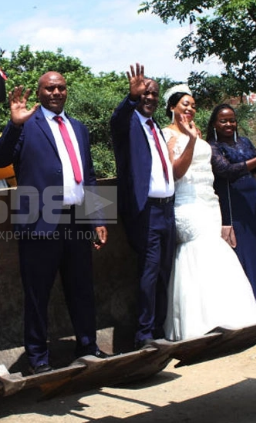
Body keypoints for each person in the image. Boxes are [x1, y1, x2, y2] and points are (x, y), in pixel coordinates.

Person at [0, 71, 109, 374]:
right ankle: (38, 359)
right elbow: (0, 160)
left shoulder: (79, 128)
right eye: (49, 88)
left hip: (76, 221)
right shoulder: (27, 126)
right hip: (39, 222)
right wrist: (14, 125)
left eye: (60, 88)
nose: (56, 92)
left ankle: (88, 346)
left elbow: (91, 176)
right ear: (40, 92)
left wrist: (97, 217)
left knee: (82, 289)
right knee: (37, 294)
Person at [161, 85, 256, 341]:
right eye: (184, 104)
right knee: (199, 251)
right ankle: (199, 321)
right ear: (172, 107)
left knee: (216, 252)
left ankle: (228, 313)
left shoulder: (198, 132)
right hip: (187, 203)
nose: (190, 109)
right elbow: (176, 173)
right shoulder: (167, 135)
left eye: (193, 105)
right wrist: (192, 140)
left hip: (209, 201)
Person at [110, 63, 176, 349]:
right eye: (145, 93)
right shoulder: (129, 124)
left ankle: (160, 327)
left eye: (153, 94)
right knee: (149, 271)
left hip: (167, 210)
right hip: (145, 211)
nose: (149, 98)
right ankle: (144, 334)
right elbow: (117, 119)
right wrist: (131, 98)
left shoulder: (156, 129)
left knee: (164, 270)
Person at [206, 104, 256, 315]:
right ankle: (251, 308)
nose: (229, 124)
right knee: (243, 253)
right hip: (233, 203)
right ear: (214, 124)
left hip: (253, 201)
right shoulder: (213, 147)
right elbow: (227, 171)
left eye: (232, 120)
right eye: (223, 121)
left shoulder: (245, 142)